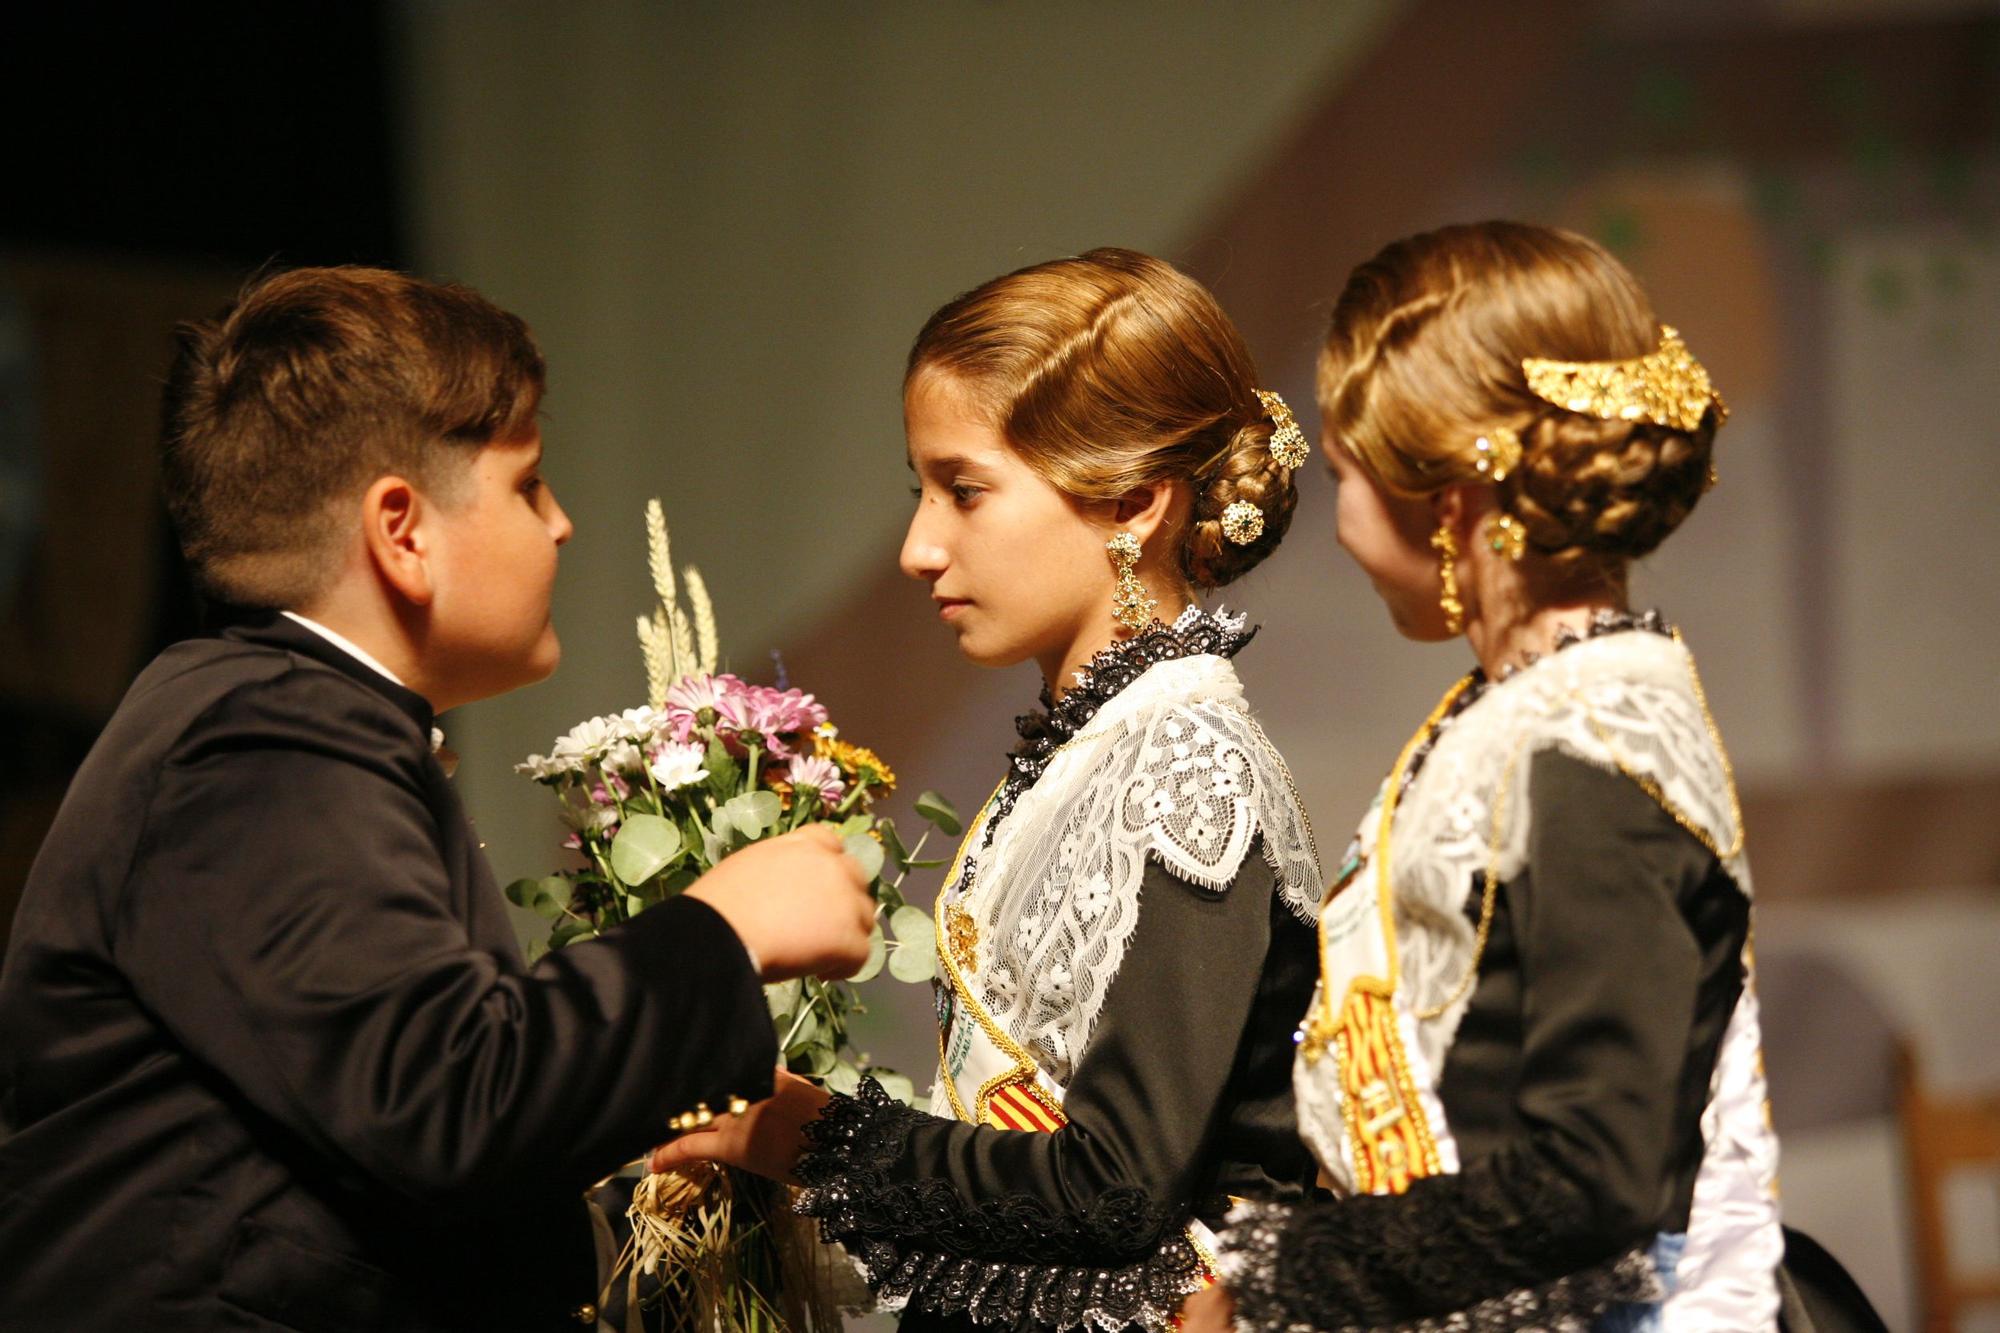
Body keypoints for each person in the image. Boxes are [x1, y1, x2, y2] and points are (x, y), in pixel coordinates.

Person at [0, 266, 875, 1332]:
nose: (560, 524)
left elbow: (378, 1130)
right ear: (403, 531)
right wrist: (725, 930)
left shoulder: (272, 720)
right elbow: (448, 1097)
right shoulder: (260, 739)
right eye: (528, 484)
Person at [651, 248, 1323, 1333]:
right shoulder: (1100, 742)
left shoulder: (1185, 758)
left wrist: (811, 1135)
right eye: (918, 492)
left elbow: (1116, 1186)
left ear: (1132, 503)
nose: (918, 546)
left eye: (962, 490)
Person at [1182, 221, 1785, 1332]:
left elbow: (1593, 1176)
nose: (1343, 524)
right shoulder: (1532, 711)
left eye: (1347, 472)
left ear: (1452, 502)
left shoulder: (1588, 744)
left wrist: (1272, 1277)